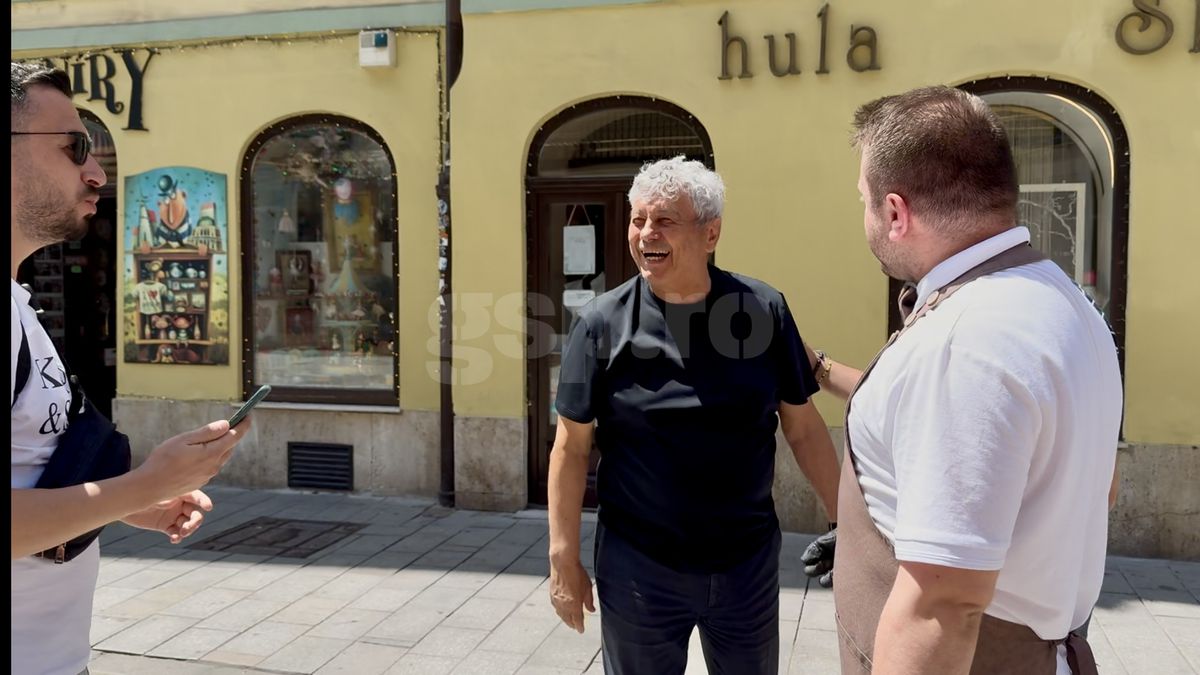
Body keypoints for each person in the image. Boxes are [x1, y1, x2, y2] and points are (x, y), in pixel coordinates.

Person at [804, 85, 1120, 674]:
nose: (865, 217)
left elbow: (943, 604)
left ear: (895, 213)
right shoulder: (1062, 300)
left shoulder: (964, 340)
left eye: (865, 200)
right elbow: (1100, 486)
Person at [547, 156, 841, 675]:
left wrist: (847, 522)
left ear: (711, 233)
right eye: (638, 219)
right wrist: (562, 557)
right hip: (639, 569)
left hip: (744, 566)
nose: (645, 233)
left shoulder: (762, 309)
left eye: (664, 220)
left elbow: (803, 426)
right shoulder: (599, 325)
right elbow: (570, 447)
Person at [11, 62, 249, 675]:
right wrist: (140, 485)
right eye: (74, 148)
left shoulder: (18, 303)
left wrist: (119, 504)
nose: (96, 171)